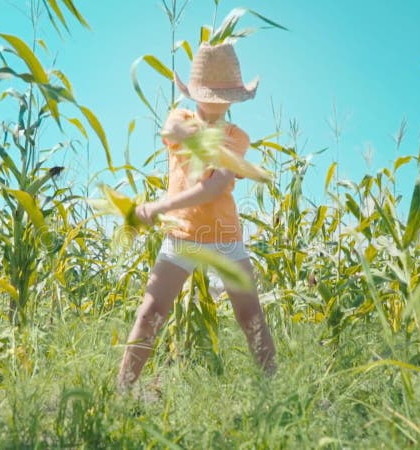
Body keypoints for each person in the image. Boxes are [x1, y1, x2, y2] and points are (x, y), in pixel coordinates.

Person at [117, 42, 277, 391]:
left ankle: (277, 393)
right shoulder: (179, 120)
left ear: (234, 97)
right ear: (195, 92)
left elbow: (214, 189)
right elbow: (182, 136)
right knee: (149, 315)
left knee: (251, 318)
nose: (218, 100)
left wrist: (157, 208)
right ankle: (120, 394)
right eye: (212, 92)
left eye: (224, 94)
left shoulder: (238, 137)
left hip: (225, 239)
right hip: (183, 238)